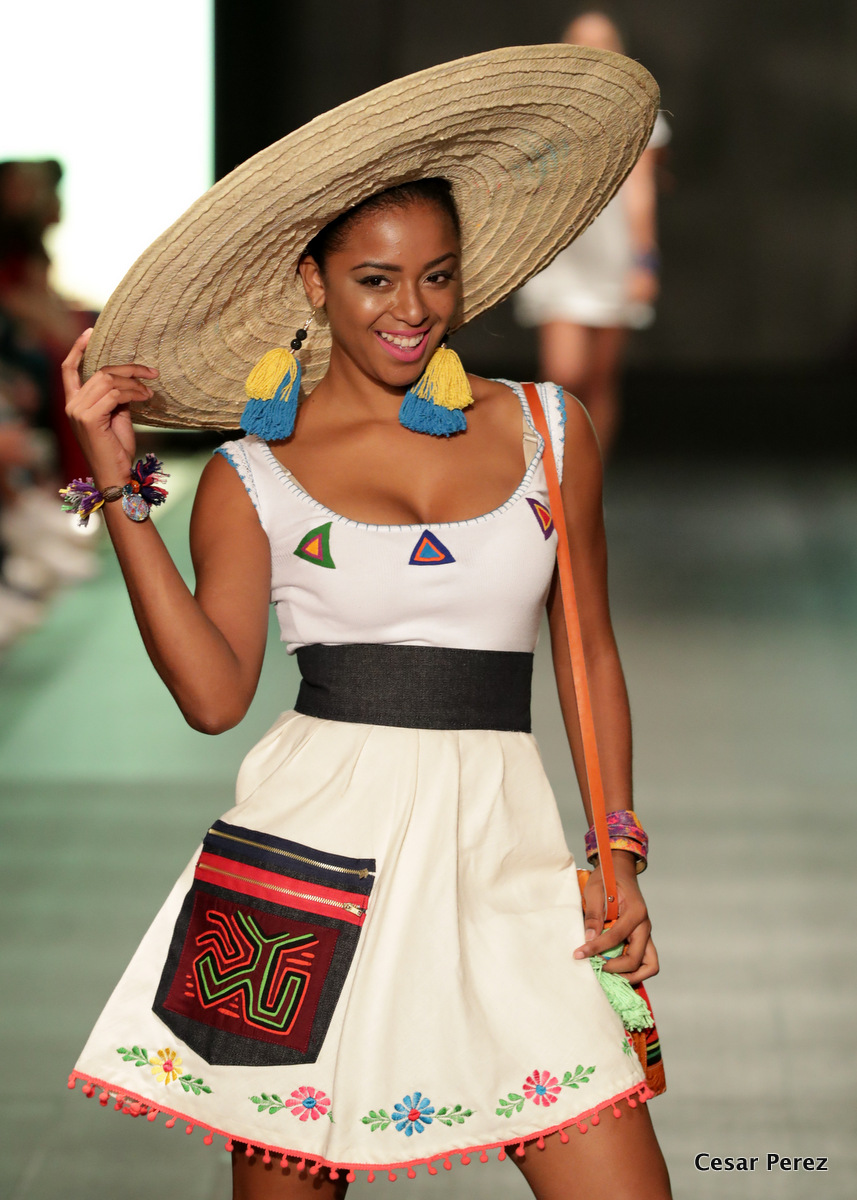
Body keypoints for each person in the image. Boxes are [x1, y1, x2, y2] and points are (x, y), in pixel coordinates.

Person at [61, 46, 671, 1200]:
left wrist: (615, 851)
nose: (412, 309)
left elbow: (586, 652)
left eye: (436, 277)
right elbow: (213, 698)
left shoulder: (546, 430)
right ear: (312, 282)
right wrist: (120, 491)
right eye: (375, 280)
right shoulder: (252, 472)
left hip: (505, 863)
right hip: (302, 870)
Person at [514, 12, 670, 457]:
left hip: (612, 255)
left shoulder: (638, 113)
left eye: (603, 41)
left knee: (600, 378)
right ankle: (552, 471)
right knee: (563, 374)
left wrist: (644, 260)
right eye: (582, 41)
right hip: (559, 255)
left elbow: (641, 191)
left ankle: (590, 475)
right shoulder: (543, 113)